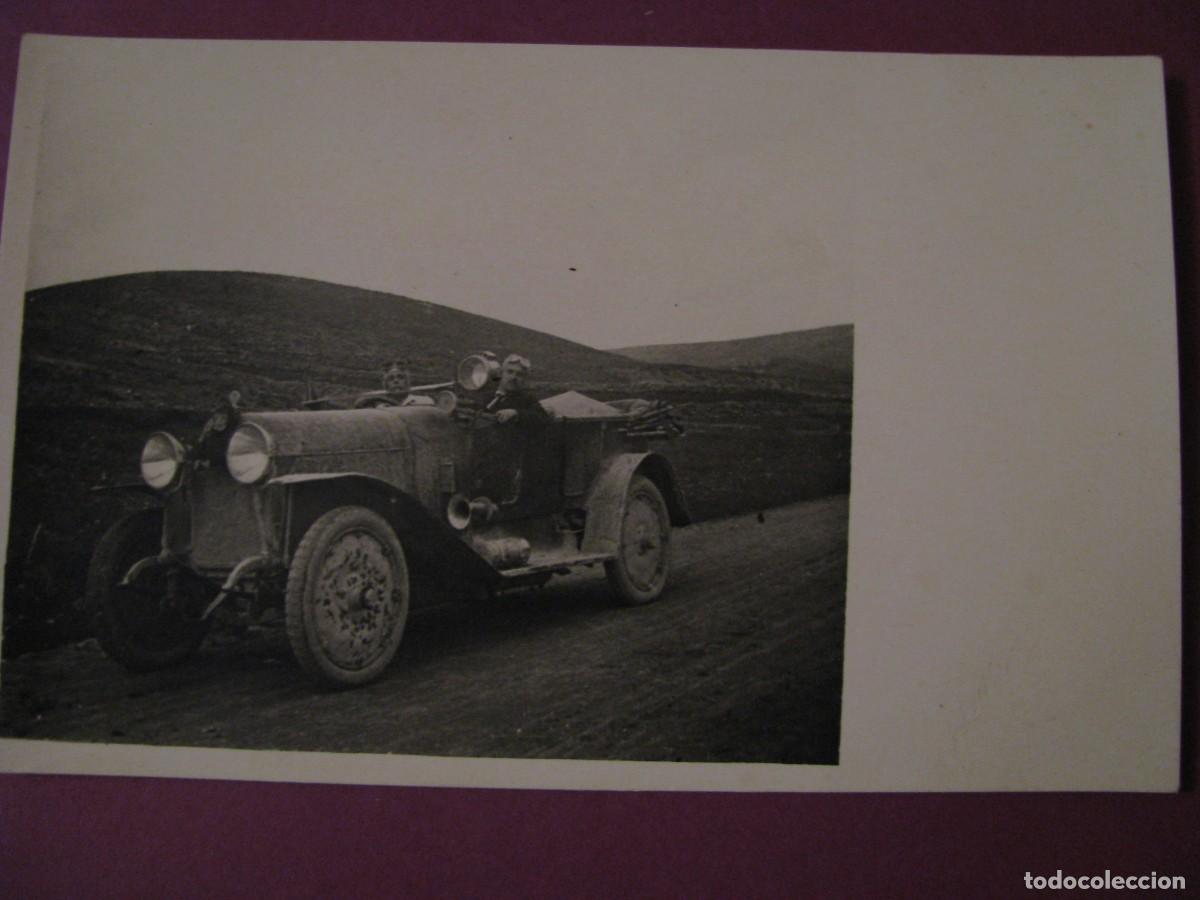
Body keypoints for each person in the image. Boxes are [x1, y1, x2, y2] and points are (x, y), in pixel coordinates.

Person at [484, 353, 550, 424]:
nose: (513, 377)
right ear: (501, 373)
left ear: (524, 379)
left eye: (519, 374)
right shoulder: (487, 395)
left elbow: (543, 418)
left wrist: (516, 413)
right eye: (510, 372)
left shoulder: (527, 399)